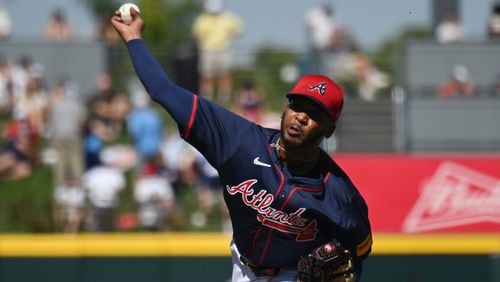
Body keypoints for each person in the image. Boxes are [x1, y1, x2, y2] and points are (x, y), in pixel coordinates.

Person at [111, 8, 372, 281]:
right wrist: (133, 37)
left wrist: (349, 270)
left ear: (329, 129)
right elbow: (164, 91)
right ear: (285, 110)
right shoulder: (240, 142)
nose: (301, 117)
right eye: (297, 106)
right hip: (243, 268)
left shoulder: (339, 194)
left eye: (315, 114)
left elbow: (360, 248)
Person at [192, 0, 244, 104]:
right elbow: (196, 34)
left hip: (224, 49)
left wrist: (231, 38)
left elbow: (239, 29)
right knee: (206, 75)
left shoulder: (228, 17)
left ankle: (224, 98)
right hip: (206, 50)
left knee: (225, 74)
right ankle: (207, 98)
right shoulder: (202, 19)